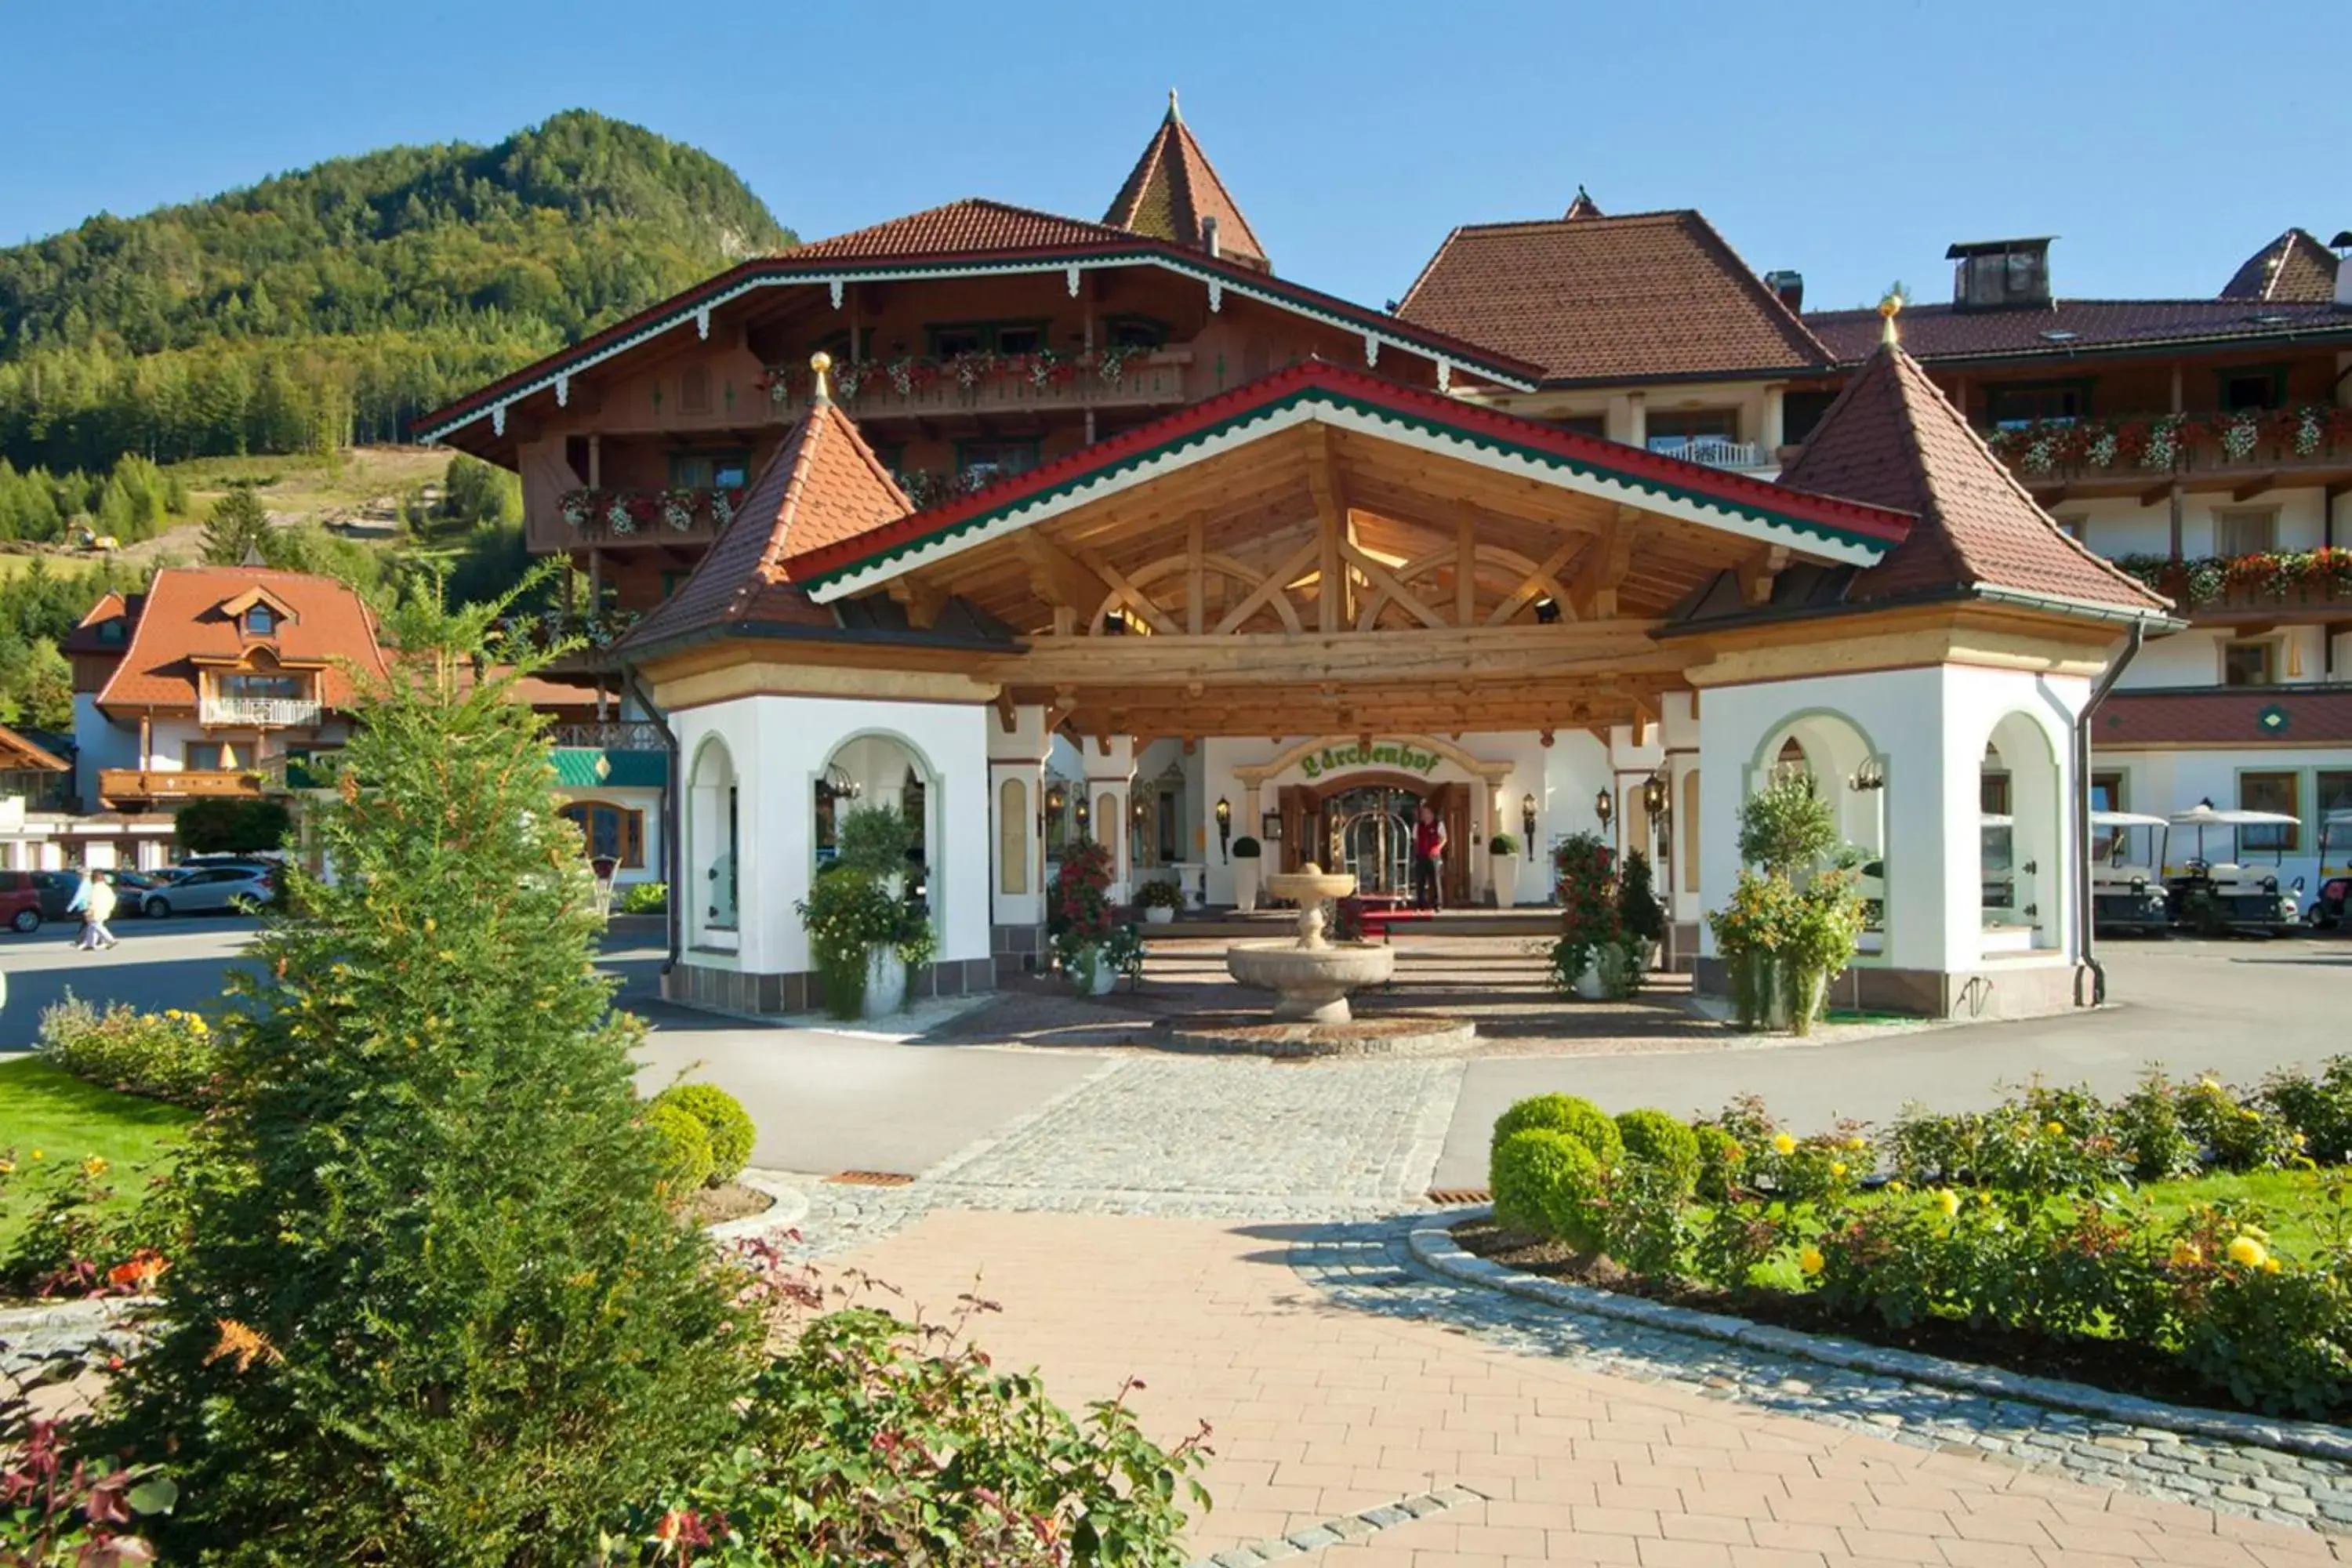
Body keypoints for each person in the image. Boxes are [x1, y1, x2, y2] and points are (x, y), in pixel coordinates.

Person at [70, 868, 119, 951]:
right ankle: (90, 944)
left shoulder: (95, 888)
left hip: (96, 911)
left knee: (96, 925)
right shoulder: (107, 888)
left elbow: (93, 901)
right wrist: (110, 908)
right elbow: (113, 899)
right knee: (92, 927)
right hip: (105, 910)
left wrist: (89, 911)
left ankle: (111, 940)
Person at [1410, 802, 1447, 912]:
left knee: (1435, 880)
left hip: (1434, 856)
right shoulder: (1418, 826)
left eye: (1428, 812)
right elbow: (1415, 840)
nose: (1426, 815)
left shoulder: (1438, 824)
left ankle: (1437, 904)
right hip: (1421, 856)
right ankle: (1420, 904)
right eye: (1424, 813)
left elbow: (1444, 838)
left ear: (1432, 814)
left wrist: (1438, 848)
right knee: (1420, 881)